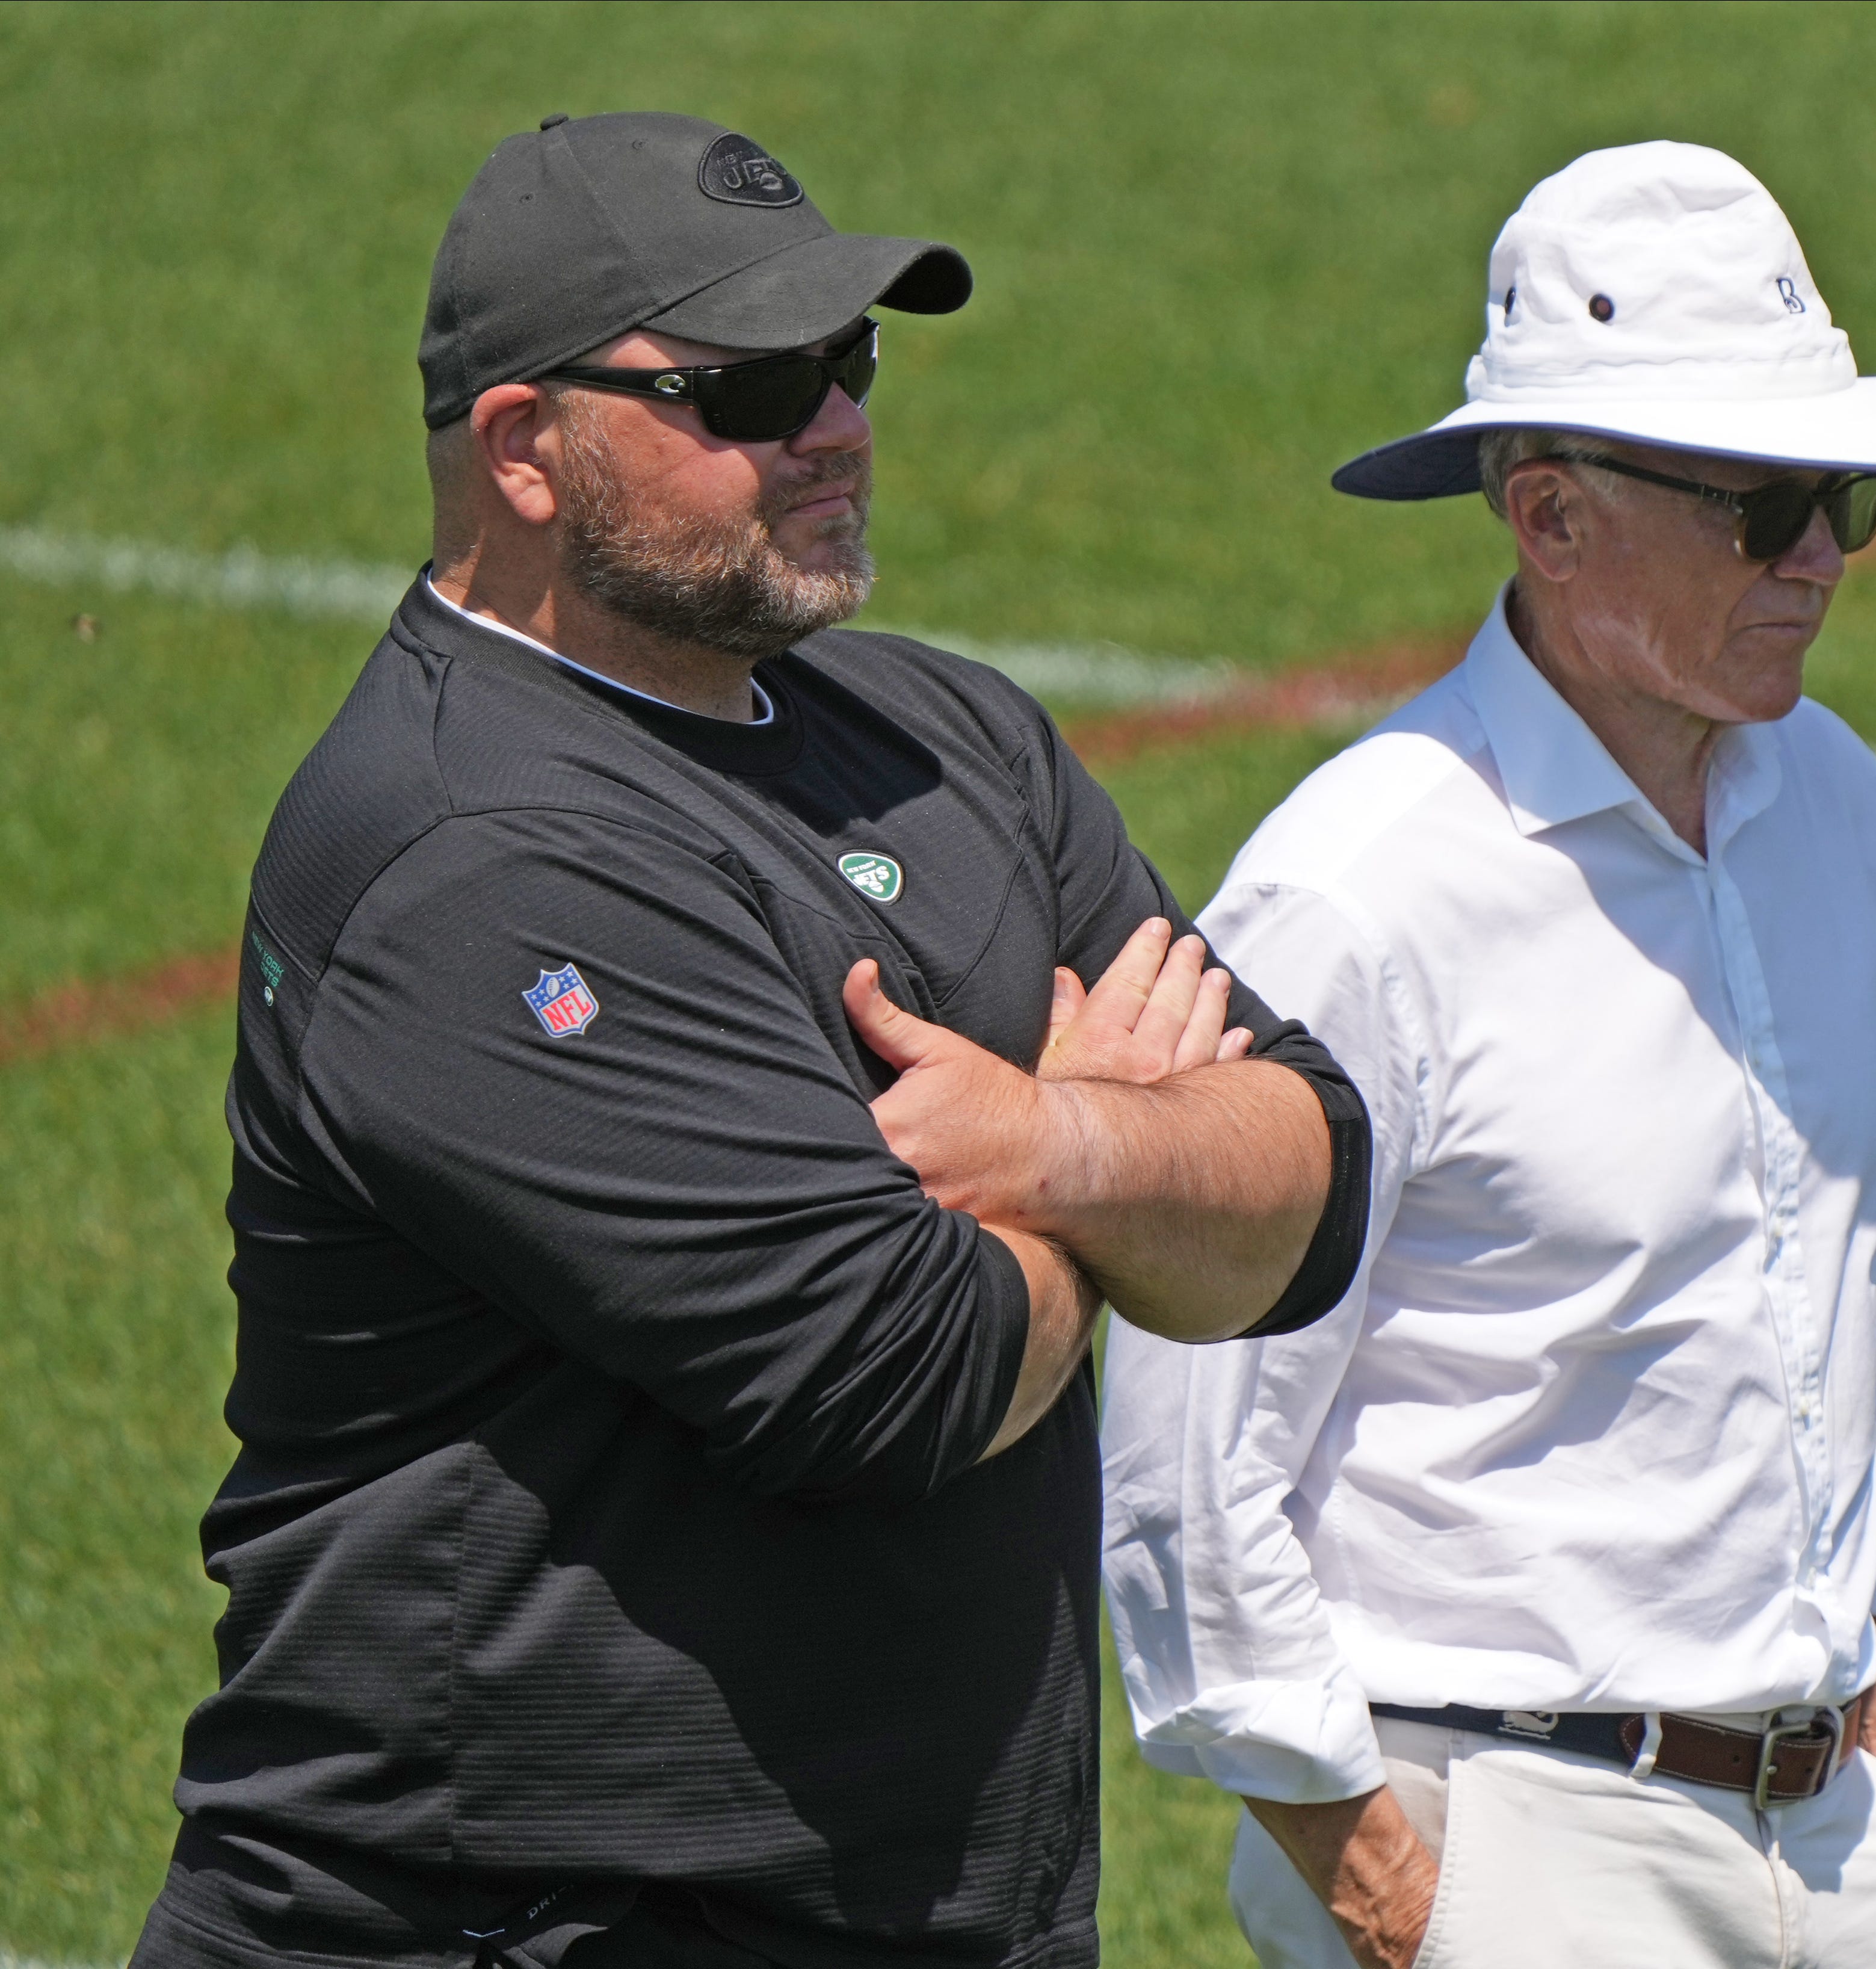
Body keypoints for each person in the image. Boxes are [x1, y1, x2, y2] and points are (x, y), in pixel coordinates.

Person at [131, 112, 1369, 1969]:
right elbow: (896, 1373)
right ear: (525, 453)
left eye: (850, 361)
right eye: (755, 385)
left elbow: (1315, 1194)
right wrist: (1130, 1154)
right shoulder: (477, 856)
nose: (838, 425)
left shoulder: (951, 737)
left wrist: (1058, 1146)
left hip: (943, 1913)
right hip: (511, 1924)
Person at [1101, 141, 1876, 1969]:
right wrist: (1400, 1899)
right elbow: (1182, 1468)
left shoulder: (1831, 796)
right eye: (1763, 505)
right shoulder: (1359, 899)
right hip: (1503, 1844)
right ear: (1551, 517)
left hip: (1843, 1829)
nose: (1822, 556)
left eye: (1848, 497)